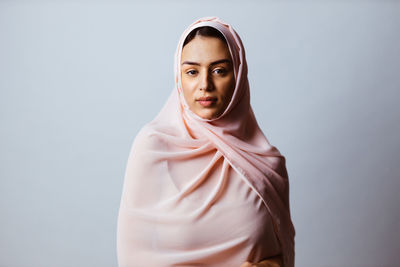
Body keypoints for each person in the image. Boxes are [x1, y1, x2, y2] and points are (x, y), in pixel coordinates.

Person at [116, 17, 295, 267]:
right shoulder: (155, 147)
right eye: (192, 72)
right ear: (178, 78)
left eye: (219, 70)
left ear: (239, 75)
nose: (205, 85)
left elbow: (280, 255)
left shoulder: (267, 166)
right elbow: (134, 255)